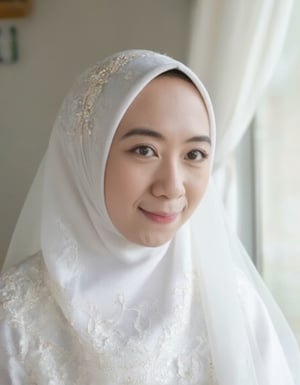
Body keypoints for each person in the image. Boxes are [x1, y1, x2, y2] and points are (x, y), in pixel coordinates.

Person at [0, 49, 299, 385]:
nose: (172, 187)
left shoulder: (232, 302)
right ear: (85, 153)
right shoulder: (13, 315)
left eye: (195, 154)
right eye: (145, 150)